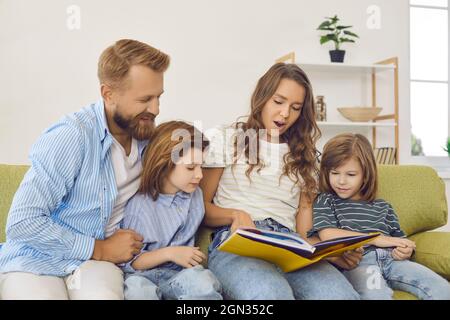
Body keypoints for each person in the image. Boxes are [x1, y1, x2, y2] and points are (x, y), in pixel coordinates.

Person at [0, 39, 170, 299]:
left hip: (96, 266)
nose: (156, 109)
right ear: (108, 94)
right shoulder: (72, 136)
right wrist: (98, 248)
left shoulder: (147, 138)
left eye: (159, 97)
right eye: (145, 99)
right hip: (36, 258)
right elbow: (22, 222)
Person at [200, 63, 362, 300]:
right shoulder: (227, 138)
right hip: (239, 242)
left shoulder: (305, 156)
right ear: (262, 97)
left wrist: (329, 254)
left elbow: (304, 231)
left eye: (295, 108)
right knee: (271, 295)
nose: (286, 114)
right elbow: (200, 207)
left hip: (290, 244)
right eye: (279, 102)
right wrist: (235, 215)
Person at [309, 133, 450, 300]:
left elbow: (399, 240)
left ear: (365, 174)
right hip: (360, 264)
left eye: (351, 174)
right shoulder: (325, 201)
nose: (341, 181)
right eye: (335, 173)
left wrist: (405, 250)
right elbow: (328, 235)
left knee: (442, 289)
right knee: (377, 295)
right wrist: (374, 239)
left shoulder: (383, 206)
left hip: (394, 261)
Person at [121, 121, 222, 300]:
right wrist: (170, 253)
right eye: (191, 167)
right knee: (137, 291)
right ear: (164, 164)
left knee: (203, 282)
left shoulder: (194, 195)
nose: (199, 175)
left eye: (201, 166)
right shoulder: (138, 206)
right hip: (144, 277)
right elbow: (131, 262)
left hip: (181, 275)